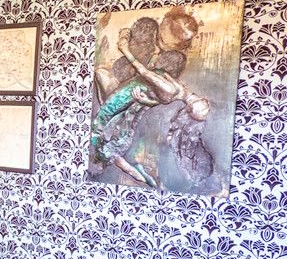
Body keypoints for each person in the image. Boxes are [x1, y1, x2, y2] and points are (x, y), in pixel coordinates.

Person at [91, 28, 212, 187]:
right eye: (200, 99)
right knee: (106, 128)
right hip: (130, 100)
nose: (197, 98)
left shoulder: (172, 89)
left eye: (196, 101)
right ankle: (138, 173)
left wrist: (125, 49)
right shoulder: (178, 89)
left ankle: (133, 172)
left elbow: (143, 72)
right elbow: (154, 95)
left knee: (101, 126)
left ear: (189, 108)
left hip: (126, 99)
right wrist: (145, 99)